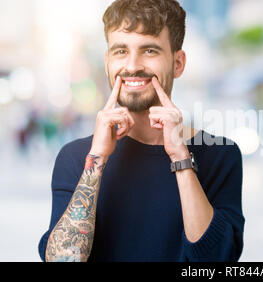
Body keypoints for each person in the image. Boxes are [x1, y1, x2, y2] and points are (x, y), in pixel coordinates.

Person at [38, 0, 244, 262]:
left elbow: (215, 260)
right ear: (107, 61)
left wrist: (180, 156)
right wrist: (98, 159)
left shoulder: (221, 155)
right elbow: (61, 260)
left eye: (149, 50)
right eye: (121, 51)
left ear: (178, 63)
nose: (132, 65)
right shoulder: (76, 156)